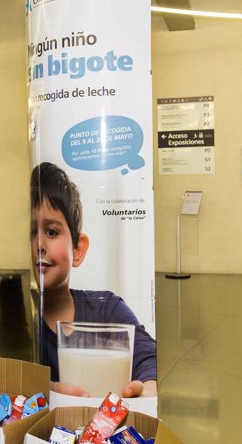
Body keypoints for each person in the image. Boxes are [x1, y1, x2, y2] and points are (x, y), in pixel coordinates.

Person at [30, 162, 157, 398]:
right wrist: (42, 390)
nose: (39, 245)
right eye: (30, 232)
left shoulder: (106, 308)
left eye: (51, 232)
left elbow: (149, 356)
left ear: (78, 249)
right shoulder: (21, 326)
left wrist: (148, 387)